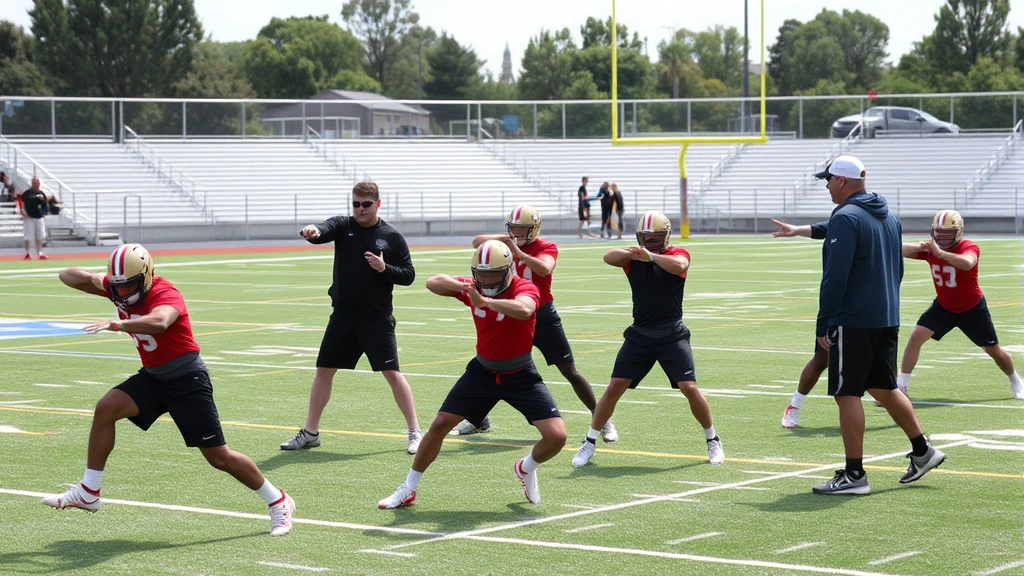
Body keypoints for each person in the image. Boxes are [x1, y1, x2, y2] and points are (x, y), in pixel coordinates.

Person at [43, 244, 295, 535]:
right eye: (119, 287)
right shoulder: (119, 286)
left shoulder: (165, 292)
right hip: (153, 378)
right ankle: (89, 491)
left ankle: (278, 501)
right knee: (106, 408)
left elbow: (161, 321)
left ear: (147, 275)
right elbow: (68, 275)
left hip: (186, 379)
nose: (124, 294)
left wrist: (117, 325)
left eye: (129, 286)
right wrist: (105, 281)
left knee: (219, 457)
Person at [378, 240, 567, 508]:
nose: (487, 280)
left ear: (508, 270)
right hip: (483, 372)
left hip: (520, 373)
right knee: (440, 424)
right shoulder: (475, 286)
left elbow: (525, 309)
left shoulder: (524, 286)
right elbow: (433, 282)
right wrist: (465, 286)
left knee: (557, 437)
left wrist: (488, 302)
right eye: (482, 274)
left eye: (493, 274)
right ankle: (408, 488)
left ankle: (526, 468)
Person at [809, 155, 945, 496]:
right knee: (884, 387)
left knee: (846, 392)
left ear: (841, 181)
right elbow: (895, 271)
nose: (826, 186)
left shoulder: (846, 217)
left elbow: (835, 275)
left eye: (828, 179)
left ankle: (854, 474)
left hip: (853, 318)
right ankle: (922, 450)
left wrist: (824, 320)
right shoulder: (889, 217)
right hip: (885, 315)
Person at [571, 210, 725, 468]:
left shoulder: (677, 254)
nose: (651, 240)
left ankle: (713, 440)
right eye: (646, 236)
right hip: (640, 334)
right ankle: (589, 441)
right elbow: (608, 256)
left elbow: (679, 266)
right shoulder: (635, 258)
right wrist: (635, 253)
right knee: (614, 388)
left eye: (656, 237)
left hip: (671, 333)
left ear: (666, 236)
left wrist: (651, 255)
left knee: (689, 388)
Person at [451, 205, 617, 441]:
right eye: (514, 228)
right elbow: (477, 241)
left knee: (569, 370)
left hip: (541, 315)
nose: (517, 233)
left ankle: (600, 417)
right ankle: (479, 419)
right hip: (509, 312)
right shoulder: (505, 244)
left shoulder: (545, 247)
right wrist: (507, 240)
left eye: (522, 229)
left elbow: (545, 267)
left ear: (535, 229)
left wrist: (520, 253)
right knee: (491, 366)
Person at [280, 181, 423, 454]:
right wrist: (312, 231)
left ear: (378, 203)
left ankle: (415, 432)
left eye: (366, 204)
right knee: (324, 370)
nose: (360, 209)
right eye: (356, 204)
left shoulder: (391, 237)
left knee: (392, 373)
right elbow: (323, 230)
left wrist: (384, 268)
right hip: (343, 316)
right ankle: (310, 432)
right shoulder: (343, 226)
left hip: (376, 319)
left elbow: (409, 275)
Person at [899, 210, 1023, 399]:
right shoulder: (931, 248)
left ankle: (1015, 379)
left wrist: (940, 253)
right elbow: (899, 249)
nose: (943, 238)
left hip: (971, 308)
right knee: (916, 336)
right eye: (939, 233)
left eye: (948, 233)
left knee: (994, 351)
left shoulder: (968, 246)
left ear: (959, 232)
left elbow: (967, 263)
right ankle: (902, 387)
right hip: (944, 306)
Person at [770, 218, 830, 428]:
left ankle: (891, 394)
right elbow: (824, 228)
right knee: (823, 358)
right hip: (840, 305)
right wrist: (796, 230)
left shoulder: (875, 221)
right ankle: (795, 405)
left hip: (870, 306)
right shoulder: (847, 216)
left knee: (868, 359)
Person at [17, 176, 50, 260]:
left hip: (39, 217)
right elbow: (20, 202)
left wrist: (45, 212)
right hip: (29, 216)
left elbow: (44, 204)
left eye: (37, 183)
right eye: (34, 183)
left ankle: (40, 252)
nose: (36, 185)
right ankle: (27, 253)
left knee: (39, 236)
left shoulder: (41, 194)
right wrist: (22, 211)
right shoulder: (27, 193)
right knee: (28, 236)